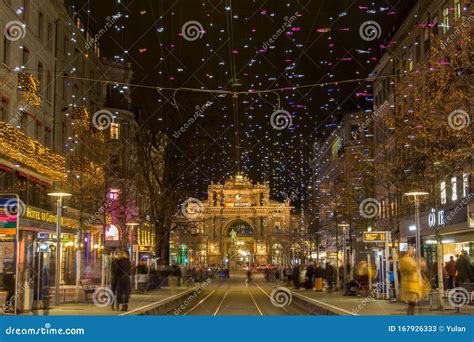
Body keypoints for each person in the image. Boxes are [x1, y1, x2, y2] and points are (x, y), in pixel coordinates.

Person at [399, 247, 421, 315]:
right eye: (411, 250)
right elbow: (406, 269)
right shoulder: (405, 259)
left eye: (413, 250)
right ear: (408, 251)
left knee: (412, 302)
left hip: (413, 284)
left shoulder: (411, 259)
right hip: (410, 284)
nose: (413, 252)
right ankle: (410, 316)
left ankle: (411, 315)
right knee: (411, 302)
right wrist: (417, 266)